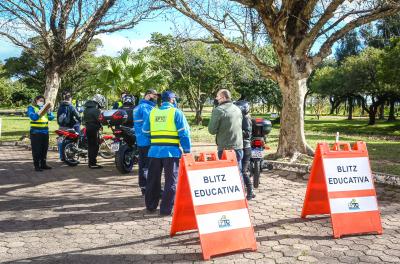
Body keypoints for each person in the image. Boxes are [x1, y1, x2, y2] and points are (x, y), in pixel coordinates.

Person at [142, 90, 191, 215]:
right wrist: (187, 150)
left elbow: (145, 131)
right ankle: (165, 209)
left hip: (154, 152)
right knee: (170, 181)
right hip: (171, 152)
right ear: (172, 100)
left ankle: (151, 206)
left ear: (161, 100)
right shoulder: (176, 113)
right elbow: (184, 134)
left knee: (152, 180)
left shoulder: (152, 112)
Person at [208, 89, 243, 170]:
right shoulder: (238, 109)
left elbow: (211, 130)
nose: (216, 99)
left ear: (223, 98)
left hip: (225, 148)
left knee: (226, 173)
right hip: (238, 146)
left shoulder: (218, 110)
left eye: (217, 96)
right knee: (238, 172)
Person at [133, 89, 159, 195]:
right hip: (148, 140)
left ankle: (144, 187)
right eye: (155, 95)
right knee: (148, 166)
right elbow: (149, 125)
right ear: (148, 95)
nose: (156, 98)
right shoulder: (146, 108)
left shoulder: (138, 107)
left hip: (141, 141)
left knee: (143, 165)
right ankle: (150, 188)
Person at [234, 100, 256, 200]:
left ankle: (250, 190)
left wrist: (236, 131)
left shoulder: (246, 119)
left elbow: (247, 133)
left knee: (243, 171)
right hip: (239, 146)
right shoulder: (240, 118)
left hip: (245, 147)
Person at [27, 95, 55, 171]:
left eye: (43, 101)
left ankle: (43, 164)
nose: (41, 102)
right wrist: (40, 112)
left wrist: (49, 112)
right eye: (40, 100)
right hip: (35, 132)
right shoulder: (31, 108)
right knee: (36, 150)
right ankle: (36, 166)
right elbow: (33, 117)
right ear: (36, 100)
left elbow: (52, 118)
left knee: (44, 149)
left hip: (45, 132)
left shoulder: (45, 108)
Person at [57, 91, 82, 160]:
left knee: (61, 142)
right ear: (70, 98)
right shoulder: (71, 106)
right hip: (69, 127)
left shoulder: (60, 106)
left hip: (61, 127)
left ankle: (62, 157)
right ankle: (70, 157)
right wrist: (80, 121)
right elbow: (77, 116)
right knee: (71, 141)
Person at [83, 94, 105, 169]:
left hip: (88, 127)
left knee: (90, 145)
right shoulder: (96, 110)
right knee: (95, 146)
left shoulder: (86, 109)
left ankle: (91, 162)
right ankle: (93, 163)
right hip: (94, 128)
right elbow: (100, 119)